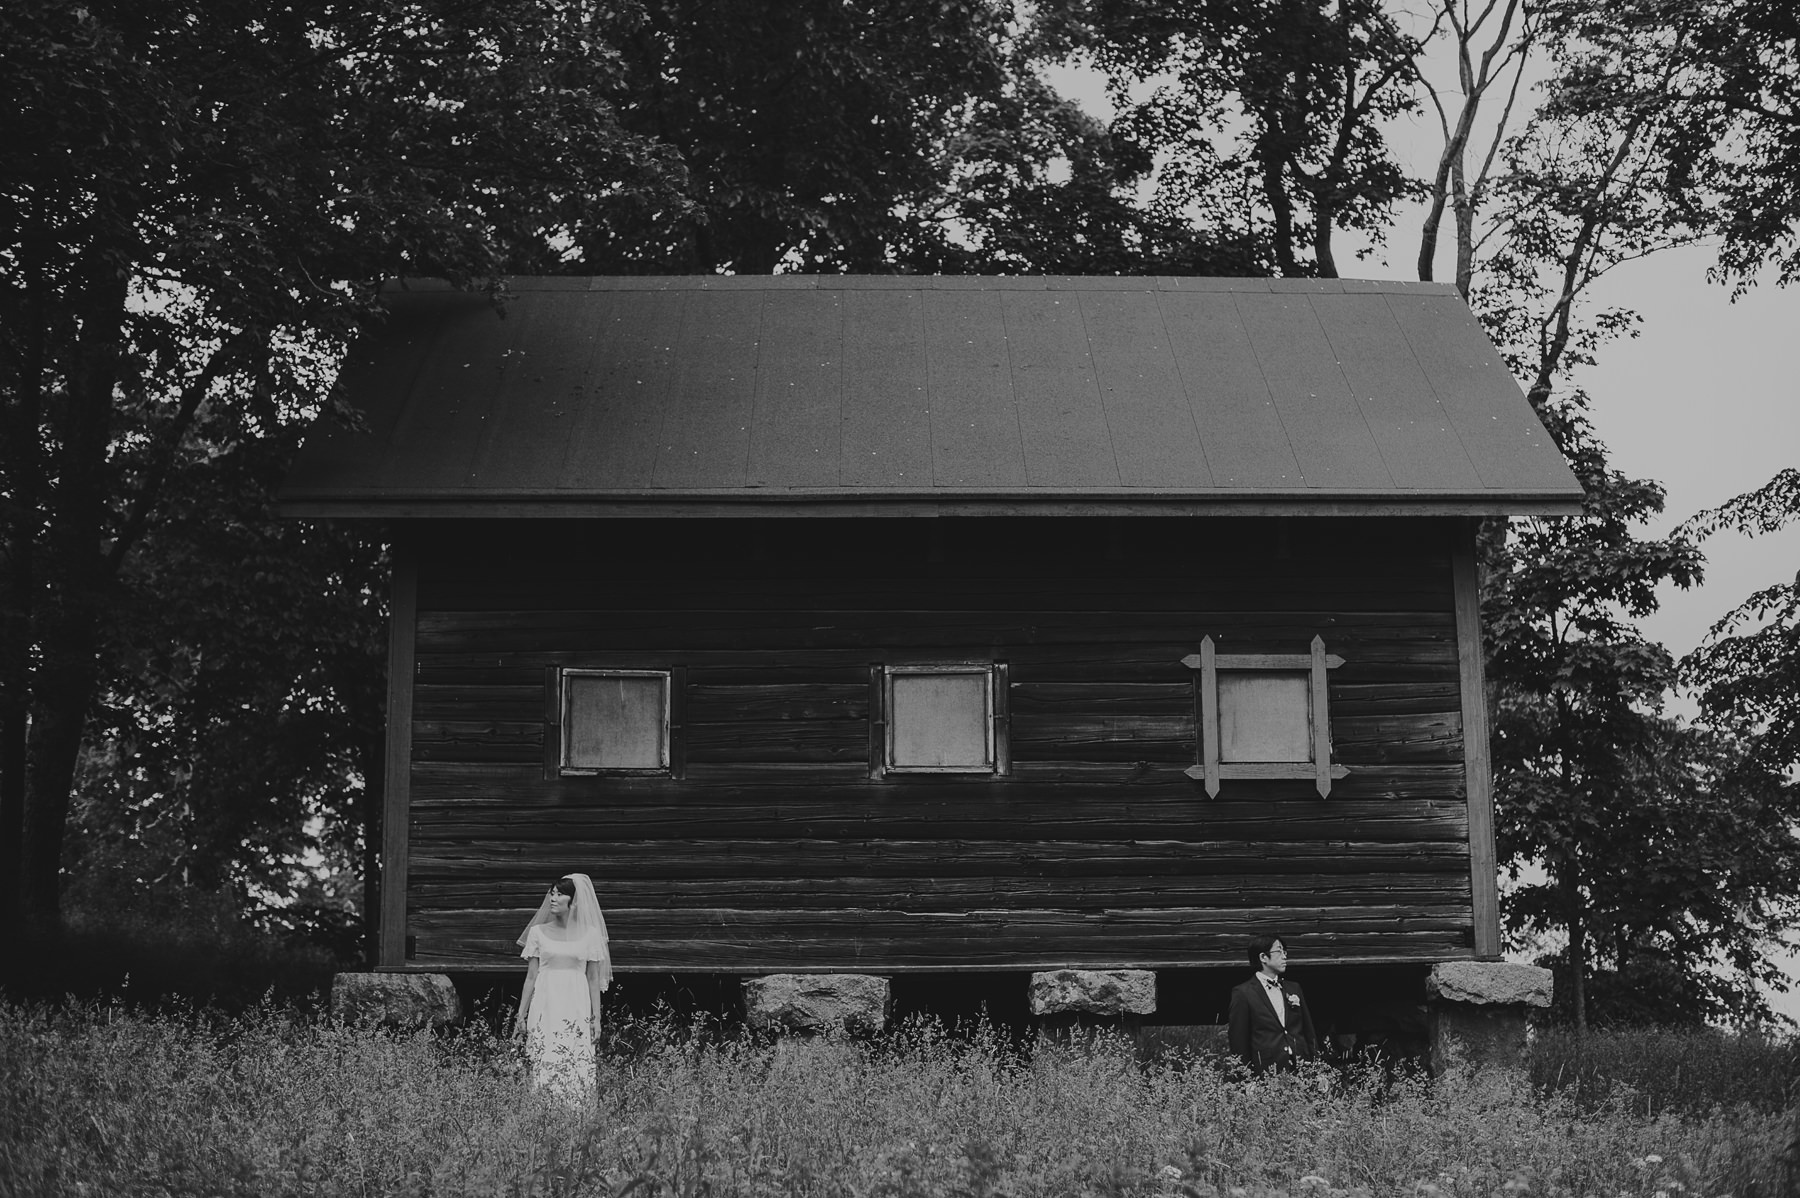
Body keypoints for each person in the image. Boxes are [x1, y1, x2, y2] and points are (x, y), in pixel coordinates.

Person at [514, 873, 611, 1104]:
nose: (553, 899)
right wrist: (521, 1014)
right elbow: (531, 976)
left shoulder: (590, 935)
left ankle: (578, 1113)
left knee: (576, 1053)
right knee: (546, 1054)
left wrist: (596, 1018)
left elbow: (593, 978)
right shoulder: (538, 932)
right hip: (546, 1001)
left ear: (573, 901)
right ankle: (544, 1110)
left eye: (560, 894)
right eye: (552, 893)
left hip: (576, 1002)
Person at [1227, 934, 1317, 1075]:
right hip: (1267, 1070)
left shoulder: (1294, 988)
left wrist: (1318, 1068)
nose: (1284, 956)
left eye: (1285, 952)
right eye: (1279, 951)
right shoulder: (1243, 993)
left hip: (1301, 1067)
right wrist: (1246, 1078)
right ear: (1263, 957)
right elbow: (1239, 1041)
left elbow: (1308, 1031)